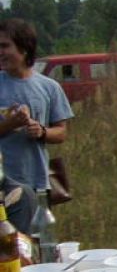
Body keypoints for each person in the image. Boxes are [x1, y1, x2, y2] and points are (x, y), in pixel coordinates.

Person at [0, 19, 73, 196]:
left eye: (4, 46)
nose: (0, 52)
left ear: (24, 48)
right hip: (3, 183)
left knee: (37, 225)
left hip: (37, 182)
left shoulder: (50, 87)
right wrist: (10, 124)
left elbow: (61, 133)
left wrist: (41, 132)